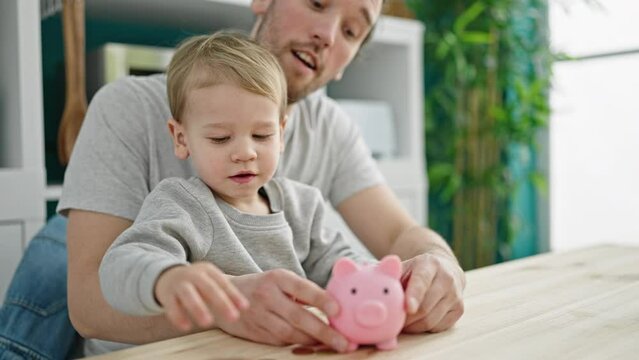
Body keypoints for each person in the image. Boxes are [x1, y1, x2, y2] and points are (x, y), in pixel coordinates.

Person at [0, 0, 465, 358]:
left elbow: (389, 239)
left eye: (351, 30)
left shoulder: (309, 181)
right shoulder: (166, 177)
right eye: (317, 2)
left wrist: (434, 265)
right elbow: (91, 300)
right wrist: (212, 301)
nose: (326, 33)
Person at [99, 31, 368, 340]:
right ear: (181, 138)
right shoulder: (181, 204)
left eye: (262, 135)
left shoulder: (303, 206)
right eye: (220, 138)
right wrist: (167, 278)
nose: (245, 153)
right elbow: (117, 267)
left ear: (281, 134)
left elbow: (344, 267)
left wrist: (378, 280)